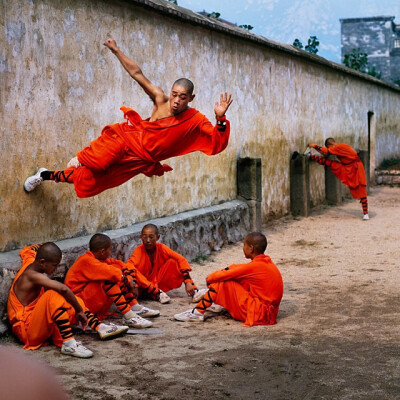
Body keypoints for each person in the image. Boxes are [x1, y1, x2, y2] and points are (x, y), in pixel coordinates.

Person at [24, 38, 233, 198]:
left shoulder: (195, 119)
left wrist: (220, 119)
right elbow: (137, 74)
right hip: (127, 140)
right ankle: (83, 157)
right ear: (171, 92)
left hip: (139, 161)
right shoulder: (160, 99)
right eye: (175, 94)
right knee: (97, 161)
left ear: (191, 98)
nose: (177, 100)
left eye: (183, 97)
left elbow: (216, 140)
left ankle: (45, 175)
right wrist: (116, 51)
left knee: (89, 181)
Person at [7, 243, 128, 358]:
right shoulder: (31, 275)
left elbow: (29, 251)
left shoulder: (32, 261)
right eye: (54, 265)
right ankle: (69, 344)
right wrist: (79, 311)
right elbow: (63, 289)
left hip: (38, 323)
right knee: (53, 296)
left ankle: (100, 327)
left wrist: (42, 245)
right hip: (27, 332)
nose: (55, 269)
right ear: (42, 262)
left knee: (72, 299)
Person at [174, 232, 284, 326]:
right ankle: (212, 301)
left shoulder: (254, 266)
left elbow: (219, 277)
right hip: (268, 313)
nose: (243, 248)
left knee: (221, 282)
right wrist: (226, 269)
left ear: (251, 248)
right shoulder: (265, 262)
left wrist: (210, 279)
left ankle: (197, 312)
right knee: (237, 281)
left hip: (258, 314)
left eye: (244, 245)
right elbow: (237, 268)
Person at [64, 233, 159, 329]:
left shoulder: (94, 258)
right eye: (110, 249)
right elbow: (112, 273)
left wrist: (128, 277)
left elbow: (117, 264)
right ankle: (128, 315)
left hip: (86, 300)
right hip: (79, 306)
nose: (110, 252)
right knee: (109, 277)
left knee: (117, 270)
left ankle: (134, 306)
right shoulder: (86, 261)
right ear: (102, 251)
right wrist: (128, 281)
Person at [126, 224, 207, 304]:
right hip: (142, 288)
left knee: (174, 262)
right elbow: (129, 266)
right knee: (133, 270)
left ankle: (195, 291)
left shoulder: (161, 248)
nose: (147, 240)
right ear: (141, 237)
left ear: (157, 237)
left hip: (155, 283)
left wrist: (187, 281)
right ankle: (156, 293)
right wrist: (133, 284)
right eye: (144, 236)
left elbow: (181, 259)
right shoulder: (139, 250)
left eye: (151, 237)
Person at [307, 138, 369, 220]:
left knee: (361, 188)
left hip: (355, 168)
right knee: (331, 163)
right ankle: (311, 156)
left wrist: (313, 145)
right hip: (348, 167)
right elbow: (326, 152)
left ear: (330, 145)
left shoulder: (339, 147)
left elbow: (325, 151)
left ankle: (366, 213)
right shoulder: (340, 147)